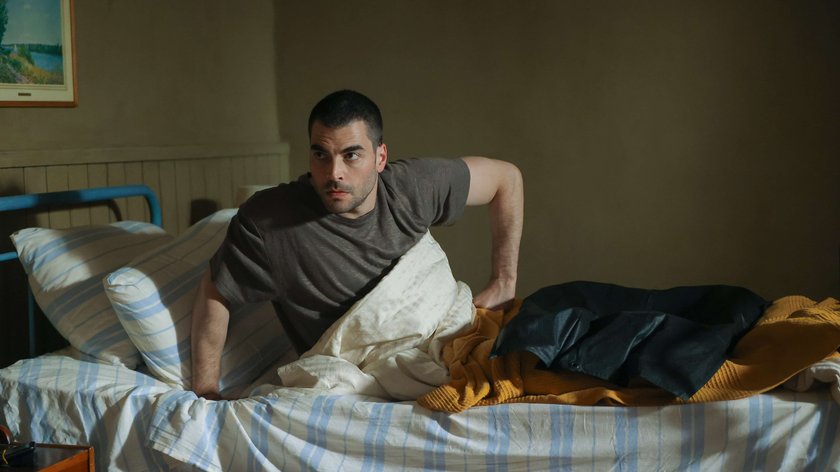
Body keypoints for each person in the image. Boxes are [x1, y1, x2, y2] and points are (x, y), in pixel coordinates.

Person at [190, 90, 524, 400]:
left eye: (351, 155)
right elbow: (216, 289)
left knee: (546, 337)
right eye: (321, 155)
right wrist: (206, 390)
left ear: (380, 157)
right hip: (372, 368)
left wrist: (504, 281)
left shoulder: (412, 186)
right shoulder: (268, 221)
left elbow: (506, 179)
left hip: (456, 331)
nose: (334, 172)